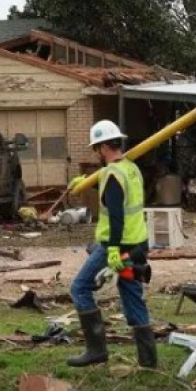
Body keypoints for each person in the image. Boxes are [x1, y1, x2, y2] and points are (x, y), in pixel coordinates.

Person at [66, 120, 156, 369]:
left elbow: (116, 214)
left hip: (115, 246)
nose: (96, 152)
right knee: (132, 298)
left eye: (97, 148)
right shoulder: (131, 168)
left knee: (80, 288)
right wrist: (86, 181)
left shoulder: (112, 174)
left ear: (104, 147)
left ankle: (96, 350)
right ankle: (148, 362)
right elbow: (117, 191)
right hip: (138, 244)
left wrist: (114, 249)